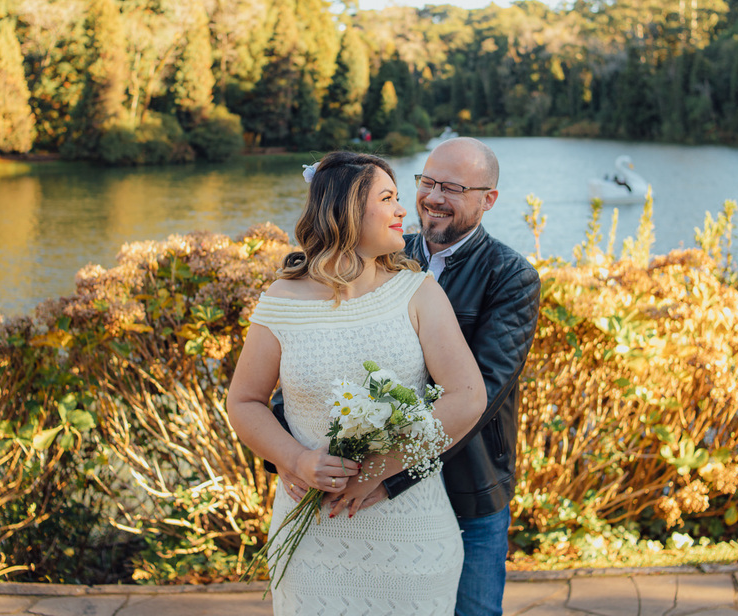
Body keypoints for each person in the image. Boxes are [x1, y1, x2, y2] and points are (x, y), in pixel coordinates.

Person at [278, 137, 542, 616]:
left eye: (453, 188)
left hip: (467, 486)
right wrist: (289, 455)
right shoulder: (385, 250)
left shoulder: (510, 276)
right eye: (427, 182)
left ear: (489, 200)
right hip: (361, 492)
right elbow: (314, 358)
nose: (432, 197)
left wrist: (389, 476)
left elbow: (476, 397)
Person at [227, 150, 486, 615]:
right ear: (345, 210)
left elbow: (467, 397)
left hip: (411, 537)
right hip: (311, 541)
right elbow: (245, 401)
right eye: (388, 198)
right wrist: (298, 459)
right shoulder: (281, 300)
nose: (404, 211)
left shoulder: (418, 291)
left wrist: (379, 467)